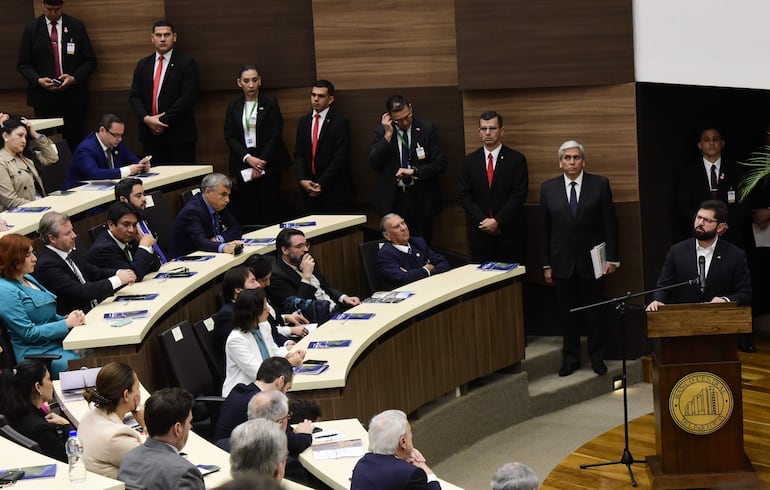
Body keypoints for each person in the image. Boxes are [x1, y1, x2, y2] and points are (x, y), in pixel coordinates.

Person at [540, 140, 619, 377]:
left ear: (583, 161)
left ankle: (597, 359)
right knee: (567, 315)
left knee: (594, 314)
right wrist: (546, 264)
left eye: (576, 158)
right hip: (562, 263)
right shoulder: (548, 188)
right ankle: (570, 360)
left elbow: (610, 225)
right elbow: (544, 230)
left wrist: (612, 259)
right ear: (560, 162)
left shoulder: (600, 185)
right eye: (567, 158)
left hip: (593, 263)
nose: (571, 162)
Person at [0, 233, 84, 377]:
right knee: (85, 362)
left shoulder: (26, 277)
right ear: (13, 259)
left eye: (33, 253)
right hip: (38, 354)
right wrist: (66, 324)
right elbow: (28, 333)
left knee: (95, 350)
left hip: (55, 343)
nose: (34, 259)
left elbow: (45, 315)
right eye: (28, 255)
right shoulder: (5, 290)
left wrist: (67, 318)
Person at [17, 0, 97, 151]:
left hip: (72, 97)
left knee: (74, 141)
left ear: (63, 6)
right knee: (43, 145)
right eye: (49, 9)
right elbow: (23, 64)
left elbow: (90, 61)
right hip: (43, 98)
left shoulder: (76, 26)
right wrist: (38, 80)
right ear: (42, 6)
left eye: (57, 9)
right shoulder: (32, 29)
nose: (53, 13)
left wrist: (74, 78)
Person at [646, 200, 751, 313]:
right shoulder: (677, 251)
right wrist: (658, 300)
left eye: (706, 220)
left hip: (720, 319)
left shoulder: (735, 255)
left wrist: (725, 300)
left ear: (720, 227)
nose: (700, 223)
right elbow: (664, 286)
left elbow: (745, 293)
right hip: (684, 320)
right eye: (698, 217)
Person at [369, 95, 447, 244]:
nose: (405, 122)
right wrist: (388, 135)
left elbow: (440, 164)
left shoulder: (426, 129)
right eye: (399, 120)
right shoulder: (381, 132)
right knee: (396, 246)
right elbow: (374, 163)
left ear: (410, 108)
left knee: (422, 243)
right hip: (394, 199)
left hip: (421, 198)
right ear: (389, 117)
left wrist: (415, 172)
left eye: (407, 117)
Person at [224, 65, 291, 226]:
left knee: (270, 209)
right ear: (239, 83)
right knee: (249, 211)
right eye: (246, 81)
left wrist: (260, 162)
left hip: (269, 164)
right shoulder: (234, 105)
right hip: (244, 164)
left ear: (260, 81)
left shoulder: (270, 103)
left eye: (254, 80)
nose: (251, 85)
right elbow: (229, 135)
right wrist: (248, 159)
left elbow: (275, 134)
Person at [32, 211, 136, 315]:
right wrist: (118, 280)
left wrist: (119, 272)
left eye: (72, 230)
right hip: (78, 320)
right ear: (52, 238)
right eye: (68, 233)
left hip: (95, 309)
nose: (74, 236)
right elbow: (81, 291)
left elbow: (94, 272)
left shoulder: (69, 251)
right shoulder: (47, 265)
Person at [459, 111, 529, 264]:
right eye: (484, 129)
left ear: (502, 131)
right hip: (479, 233)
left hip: (509, 232)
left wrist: (498, 221)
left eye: (492, 128)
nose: (488, 133)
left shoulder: (516, 159)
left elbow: (519, 194)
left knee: (512, 282)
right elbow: (464, 195)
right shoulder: (469, 161)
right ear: (479, 133)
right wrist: (484, 221)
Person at [129, 20, 199, 164]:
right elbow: (134, 96)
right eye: (158, 35)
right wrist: (147, 119)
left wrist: (161, 121)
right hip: (150, 136)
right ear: (152, 38)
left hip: (179, 135)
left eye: (166, 35)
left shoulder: (186, 62)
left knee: (183, 181)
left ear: (174, 37)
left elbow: (188, 97)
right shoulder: (143, 64)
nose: (162, 39)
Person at [222, 288, 305, 397]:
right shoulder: (236, 340)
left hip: (268, 387)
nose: (268, 311)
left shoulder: (264, 326)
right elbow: (258, 373)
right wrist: (289, 363)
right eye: (264, 308)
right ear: (253, 312)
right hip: (246, 393)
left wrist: (288, 354)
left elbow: (273, 351)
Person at [117, 387, 204, 490]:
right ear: (177, 428)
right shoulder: (186, 474)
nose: (190, 427)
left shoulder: (128, 459)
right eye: (189, 422)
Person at [268, 228, 360, 323]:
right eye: (300, 246)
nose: (306, 249)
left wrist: (344, 297)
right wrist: (306, 277)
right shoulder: (276, 276)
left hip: (336, 309)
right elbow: (297, 308)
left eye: (306, 244)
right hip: (317, 319)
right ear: (285, 250)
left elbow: (325, 286)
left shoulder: (306, 258)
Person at [676, 127, 743, 244]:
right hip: (699, 234)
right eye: (706, 140)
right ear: (700, 145)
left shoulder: (736, 170)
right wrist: (704, 224)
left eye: (715, 139)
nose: (711, 143)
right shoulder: (688, 173)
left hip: (731, 235)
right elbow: (683, 205)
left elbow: (744, 202)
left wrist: (725, 224)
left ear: (722, 143)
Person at [77, 362, 145, 479]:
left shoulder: (89, 415)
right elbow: (153, 466)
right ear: (126, 395)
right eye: (137, 388)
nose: (139, 393)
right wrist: (146, 424)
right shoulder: (116, 437)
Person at [294, 79, 352, 213]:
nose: (315, 99)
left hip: (333, 188)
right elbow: (299, 154)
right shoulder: (304, 122)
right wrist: (302, 179)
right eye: (313, 95)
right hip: (308, 188)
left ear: (330, 99)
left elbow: (340, 157)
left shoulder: (340, 122)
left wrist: (322, 183)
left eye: (321, 96)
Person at [0, 360, 74, 461]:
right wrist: (67, 426)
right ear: (38, 387)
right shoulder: (39, 428)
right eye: (48, 379)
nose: (51, 384)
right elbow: (70, 458)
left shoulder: (14, 412)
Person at [350, 409, 441, 490]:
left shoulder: (361, 464)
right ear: (403, 442)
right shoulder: (410, 474)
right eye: (410, 435)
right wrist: (426, 470)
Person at [214, 356, 294, 443]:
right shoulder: (262, 403)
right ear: (280, 381)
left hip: (224, 447)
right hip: (240, 452)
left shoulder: (240, 389)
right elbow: (279, 439)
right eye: (287, 389)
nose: (285, 395)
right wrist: (306, 435)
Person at [62, 113, 150, 190]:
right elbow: (94, 174)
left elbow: (132, 159)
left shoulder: (117, 143)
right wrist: (126, 171)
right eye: (116, 135)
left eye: (121, 135)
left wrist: (142, 165)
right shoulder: (86, 149)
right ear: (102, 130)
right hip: (79, 194)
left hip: (106, 191)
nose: (120, 139)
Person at [169, 173, 243, 258]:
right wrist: (224, 247)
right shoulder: (191, 211)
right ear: (208, 192)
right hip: (185, 260)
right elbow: (201, 242)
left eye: (228, 195)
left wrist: (218, 239)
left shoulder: (218, 204)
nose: (227, 200)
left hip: (208, 254)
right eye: (223, 194)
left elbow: (236, 228)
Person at [87, 202, 161, 281]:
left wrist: (142, 243)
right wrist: (144, 247)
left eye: (134, 225)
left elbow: (155, 267)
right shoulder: (103, 249)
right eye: (126, 224)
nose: (131, 230)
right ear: (111, 224)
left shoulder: (130, 238)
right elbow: (133, 276)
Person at [376, 213, 450, 290]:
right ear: (387, 235)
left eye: (403, 223)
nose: (404, 228)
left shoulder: (418, 242)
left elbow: (443, 263)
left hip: (429, 288)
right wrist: (426, 269)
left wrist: (414, 274)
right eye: (397, 226)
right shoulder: (385, 254)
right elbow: (402, 279)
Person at [246, 255, 309, 342]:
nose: (268, 283)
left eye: (269, 278)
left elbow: (271, 319)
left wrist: (285, 317)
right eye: (264, 280)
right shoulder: (249, 302)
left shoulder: (263, 291)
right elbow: (266, 329)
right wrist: (290, 330)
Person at [0, 117, 58, 211]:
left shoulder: (26, 157)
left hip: (39, 206)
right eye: (20, 135)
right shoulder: (1, 162)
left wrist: (35, 135)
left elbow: (52, 157)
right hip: (21, 213)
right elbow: (11, 201)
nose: (24, 140)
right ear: (5, 136)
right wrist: (42, 205)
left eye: (25, 137)